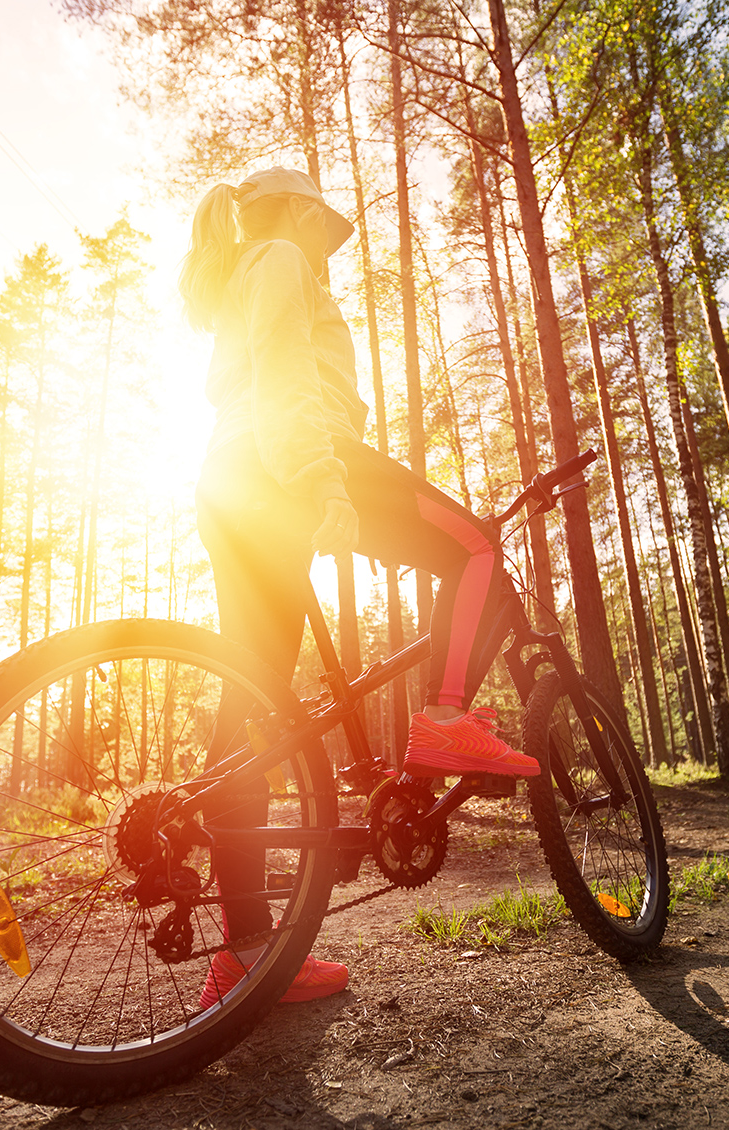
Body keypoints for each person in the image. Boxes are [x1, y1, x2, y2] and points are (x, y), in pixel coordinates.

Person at [182, 168, 539, 1009]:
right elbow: (282, 367)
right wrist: (321, 477)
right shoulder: (276, 253)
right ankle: (448, 716)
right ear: (301, 214)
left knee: (250, 710)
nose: (333, 252)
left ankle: (246, 954)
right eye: (329, 230)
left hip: (230, 480)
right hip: (296, 456)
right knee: (477, 548)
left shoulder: (244, 265)